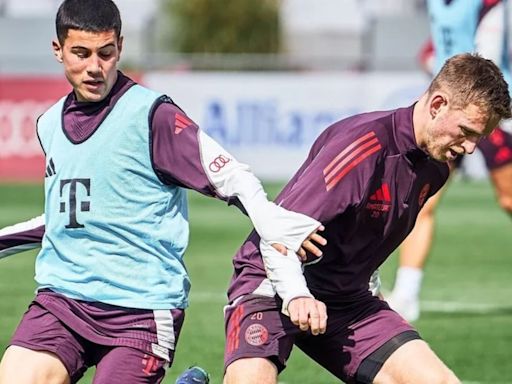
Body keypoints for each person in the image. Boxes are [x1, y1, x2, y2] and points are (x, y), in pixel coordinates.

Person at [0, 1, 325, 383]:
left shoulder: (153, 116)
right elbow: (64, 216)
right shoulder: (49, 124)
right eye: (81, 53)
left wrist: (275, 223)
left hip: (140, 311)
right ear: (58, 50)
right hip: (62, 301)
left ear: (120, 46)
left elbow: (232, 177)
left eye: (106, 53)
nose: (94, 67)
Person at [220, 53, 511, 384]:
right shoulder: (362, 146)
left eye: (479, 138)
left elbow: (369, 238)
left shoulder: (435, 169)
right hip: (271, 282)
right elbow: (279, 232)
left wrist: (372, 295)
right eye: (466, 131)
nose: (471, 148)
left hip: (347, 300)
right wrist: (297, 294)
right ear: (437, 105)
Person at [387, 0, 512, 322]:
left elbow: (491, 53)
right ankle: (406, 295)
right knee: (421, 201)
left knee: (509, 199)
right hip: (451, 114)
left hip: (487, 113)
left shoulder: (490, 4)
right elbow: (434, 48)